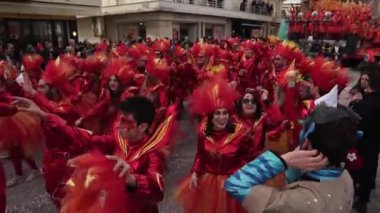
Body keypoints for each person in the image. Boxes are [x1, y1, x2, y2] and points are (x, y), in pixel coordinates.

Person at [13, 96, 177, 212]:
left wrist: (131, 179)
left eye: (126, 122)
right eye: (120, 120)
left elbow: (157, 190)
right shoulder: (119, 140)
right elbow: (84, 138)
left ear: (142, 127)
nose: (119, 126)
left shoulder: (152, 152)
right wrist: (45, 117)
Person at [225, 105, 360, 213]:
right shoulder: (345, 177)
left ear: (307, 143)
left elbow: (235, 184)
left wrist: (283, 160)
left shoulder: (295, 202)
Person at [176, 77, 253, 213]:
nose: (221, 118)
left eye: (225, 114)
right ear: (211, 116)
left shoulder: (240, 132)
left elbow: (249, 159)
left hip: (233, 184)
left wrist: (243, 178)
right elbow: (201, 155)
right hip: (209, 183)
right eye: (217, 114)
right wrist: (195, 173)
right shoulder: (203, 131)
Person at [350, 63, 380, 213]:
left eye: (365, 79)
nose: (362, 81)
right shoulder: (367, 98)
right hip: (371, 141)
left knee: (364, 169)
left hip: (367, 141)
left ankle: (362, 199)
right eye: (362, 78)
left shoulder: (369, 101)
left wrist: (356, 104)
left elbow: (359, 118)